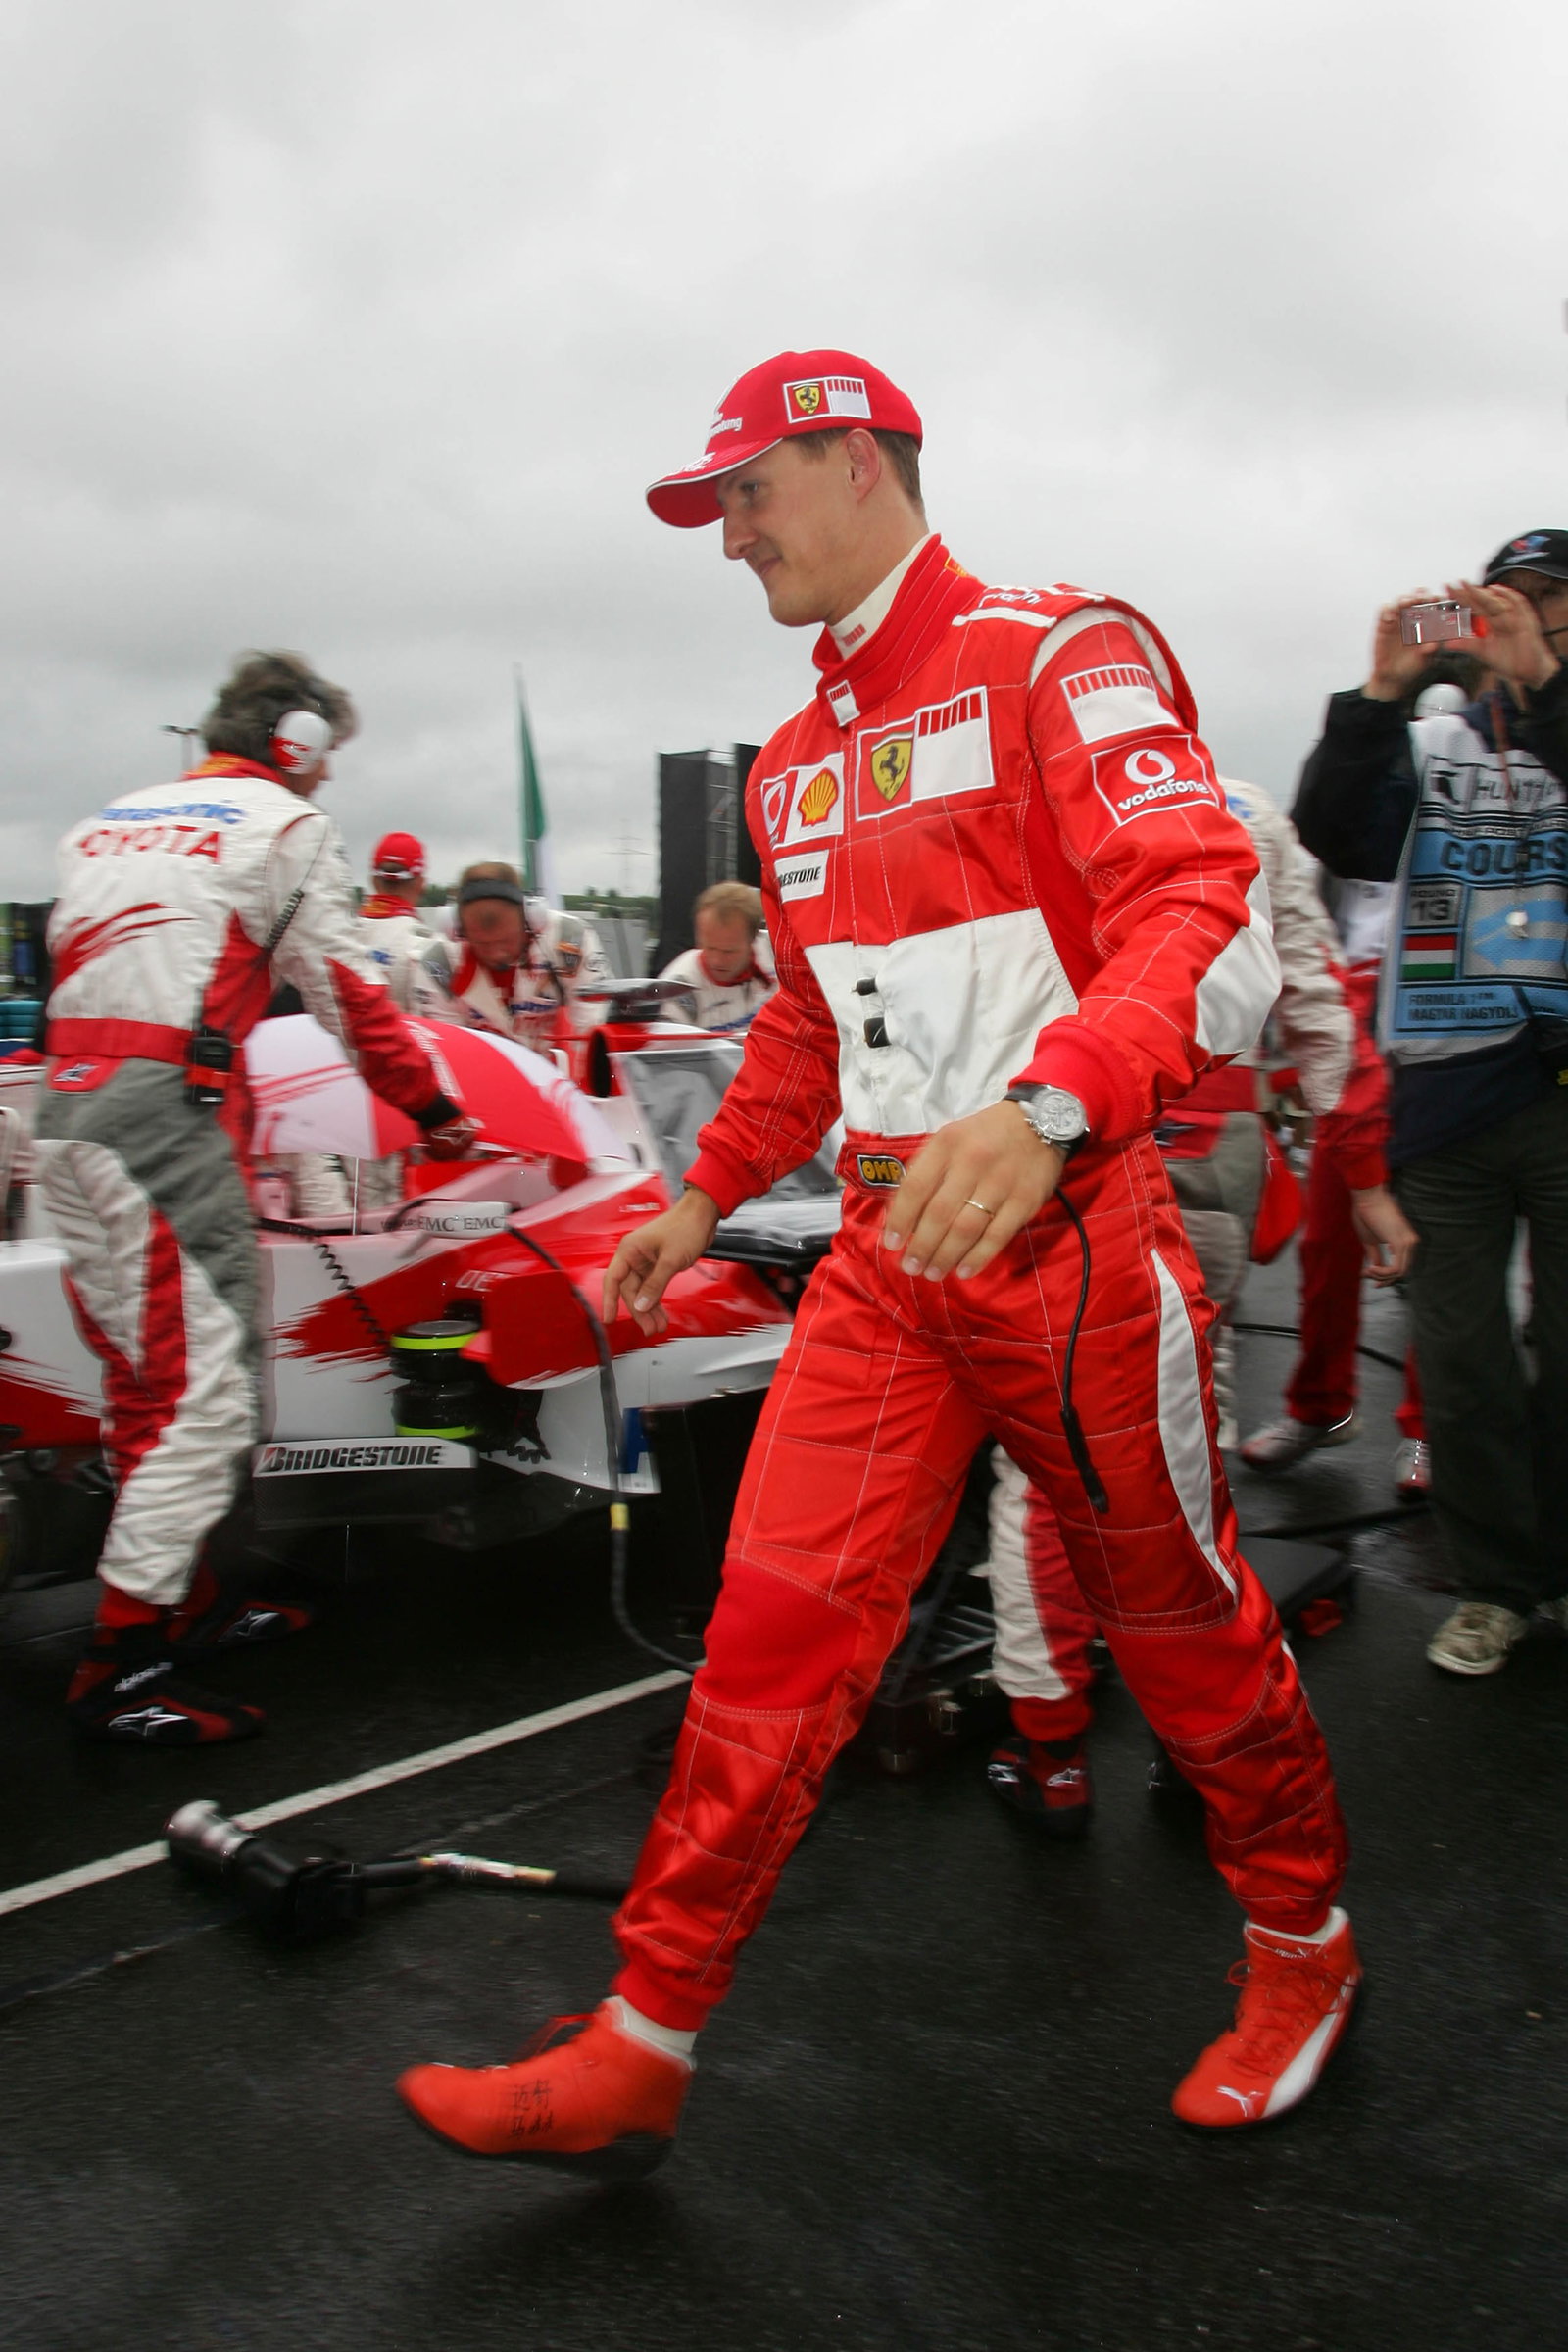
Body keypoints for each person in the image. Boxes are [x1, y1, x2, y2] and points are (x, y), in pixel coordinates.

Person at [397, 347, 1359, 2169]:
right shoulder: (799, 759)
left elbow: (1190, 888)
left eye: (748, 493)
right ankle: (646, 2031)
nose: (731, 537)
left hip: (1077, 1240)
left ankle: (1304, 1946)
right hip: (884, 1254)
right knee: (767, 1632)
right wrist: (702, 1194)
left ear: (853, 461)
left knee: (1182, 1625)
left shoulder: (1051, 646)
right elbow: (807, 1034)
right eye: (718, 506)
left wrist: (1057, 1105)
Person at [34, 651, 473, 1744]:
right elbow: (351, 998)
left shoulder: (103, 823)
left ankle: (182, 1599)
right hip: (163, 1133)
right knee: (210, 1402)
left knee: (148, 1391)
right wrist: (431, 1108)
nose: (323, 786)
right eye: (324, 765)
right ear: (300, 746)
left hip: (61, 1119)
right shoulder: (281, 825)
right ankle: (121, 1666)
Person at [986, 777, 1417, 1826]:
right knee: (1183, 1455)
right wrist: (1361, 1178)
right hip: (1209, 1159)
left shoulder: (1029, 787)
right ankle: (1200, 1743)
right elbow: (1319, 1006)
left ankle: (1052, 1754)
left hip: (1060, 1156)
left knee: (1046, 1465)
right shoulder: (1250, 811)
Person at [1292, 535, 1568, 1675]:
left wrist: (1543, 687)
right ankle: (1498, 1585)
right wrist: (1379, 688)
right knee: (1460, 1368)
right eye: (1511, 607)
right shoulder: (1429, 735)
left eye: (1552, 609)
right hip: (1445, 1096)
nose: (1527, 626)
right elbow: (1335, 833)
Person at [410, 860, 612, 1054]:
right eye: (483, 944)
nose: (497, 953)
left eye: (506, 941)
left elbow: (594, 1024)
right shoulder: (437, 965)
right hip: (480, 1072)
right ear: (457, 931)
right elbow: (449, 1050)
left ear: (531, 921)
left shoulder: (568, 939)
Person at [659, 880, 777, 1032]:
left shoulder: (777, 952)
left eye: (729, 951)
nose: (717, 961)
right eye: (709, 947)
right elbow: (670, 1054)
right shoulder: (679, 988)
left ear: (753, 938)